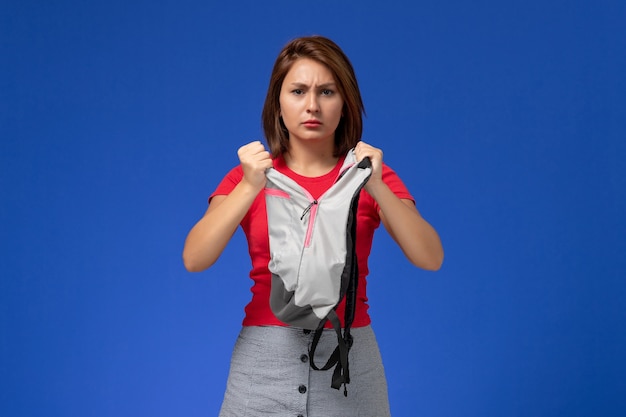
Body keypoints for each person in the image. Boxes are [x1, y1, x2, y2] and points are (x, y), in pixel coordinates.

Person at [183, 35, 443, 417]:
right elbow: (195, 258)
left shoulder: (370, 176)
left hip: (349, 365)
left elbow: (430, 256)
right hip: (262, 366)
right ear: (278, 103)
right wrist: (249, 186)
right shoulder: (250, 177)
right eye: (298, 91)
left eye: (326, 91)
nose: (312, 106)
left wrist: (375, 184)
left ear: (345, 103)